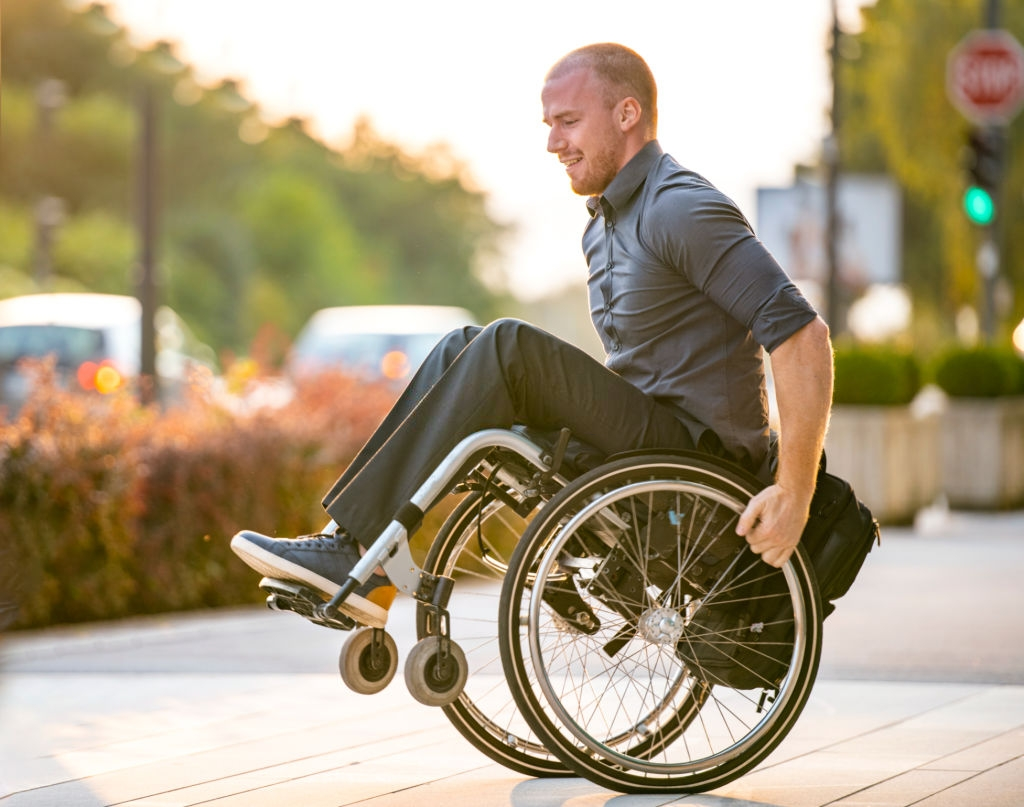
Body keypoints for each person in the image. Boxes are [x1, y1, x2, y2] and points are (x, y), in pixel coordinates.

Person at [230, 43, 834, 629]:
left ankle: (354, 557)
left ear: (628, 115)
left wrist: (794, 495)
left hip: (698, 459)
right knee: (460, 345)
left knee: (506, 345)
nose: (552, 142)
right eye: (549, 124)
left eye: (568, 121)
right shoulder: (604, 226)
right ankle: (365, 559)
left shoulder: (681, 208)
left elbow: (802, 337)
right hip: (650, 440)